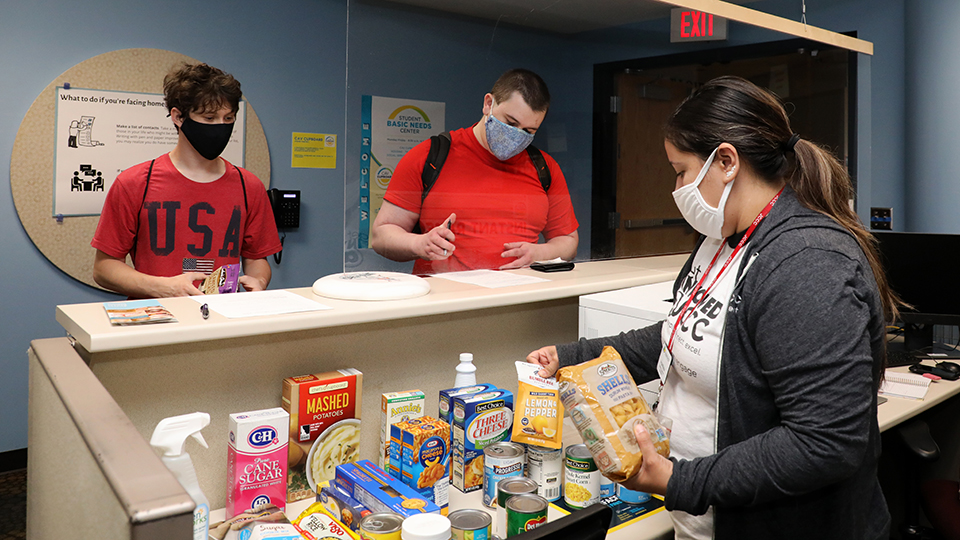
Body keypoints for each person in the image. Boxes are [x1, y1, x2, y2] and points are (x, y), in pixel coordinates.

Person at [526, 76, 898, 539]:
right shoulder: (722, 241)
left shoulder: (808, 263)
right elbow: (682, 335)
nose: (676, 188)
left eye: (680, 171)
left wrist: (682, 480)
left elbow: (824, 442)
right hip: (706, 519)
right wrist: (572, 355)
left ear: (725, 161)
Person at [92, 63, 281, 298]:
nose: (221, 127)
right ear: (178, 117)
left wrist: (258, 281)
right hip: (158, 322)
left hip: (222, 320)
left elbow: (256, 257)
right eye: (209, 117)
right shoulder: (135, 183)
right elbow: (104, 268)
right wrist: (165, 287)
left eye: (228, 117)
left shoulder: (248, 185)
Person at [370, 69, 579, 274]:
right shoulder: (430, 156)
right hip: (448, 302)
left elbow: (568, 241)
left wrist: (541, 253)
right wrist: (420, 243)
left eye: (528, 131)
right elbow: (381, 236)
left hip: (522, 300)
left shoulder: (544, 167)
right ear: (488, 103)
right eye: (510, 123)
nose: (516, 135)